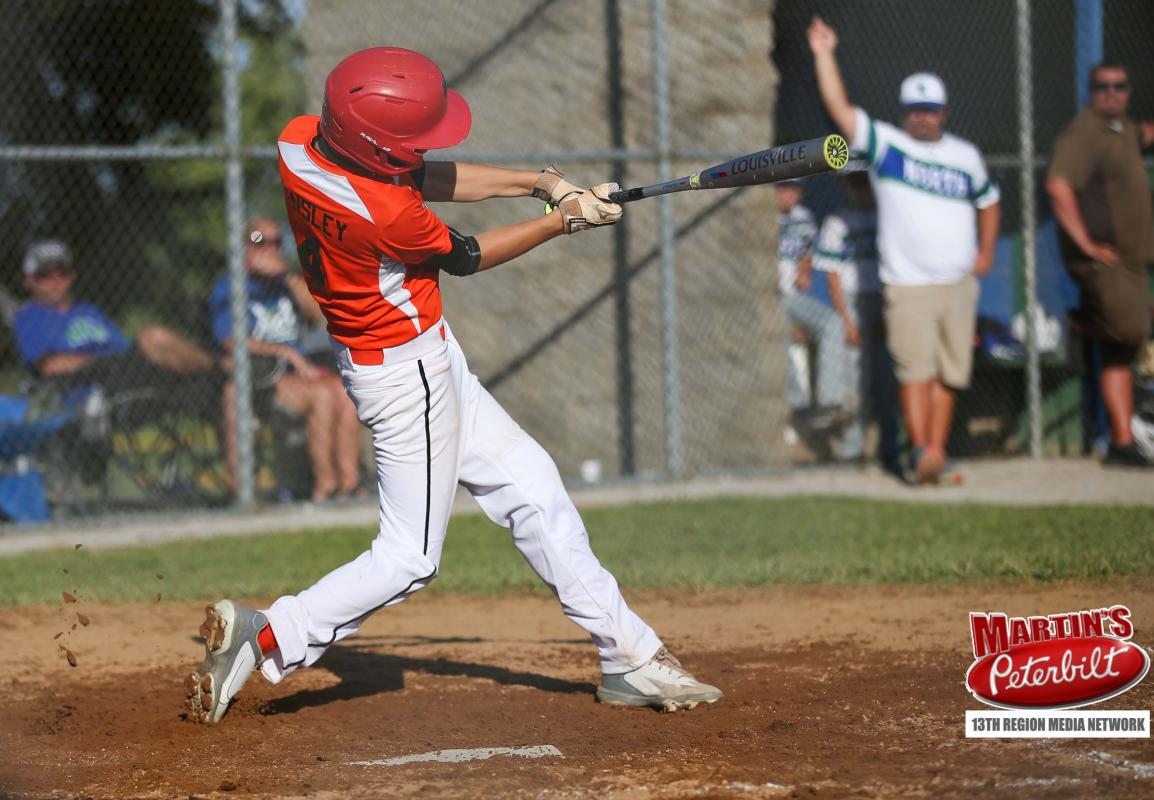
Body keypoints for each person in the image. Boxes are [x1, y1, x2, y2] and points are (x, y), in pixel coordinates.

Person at [186, 47, 721, 724]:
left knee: (532, 485)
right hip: (406, 376)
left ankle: (629, 655)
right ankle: (268, 637)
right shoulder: (386, 214)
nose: (421, 150)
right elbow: (466, 255)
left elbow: (422, 174)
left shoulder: (299, 143)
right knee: (409, 557)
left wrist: (542, 182)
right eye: (409, 142)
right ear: (374, 147)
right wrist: (565, 220)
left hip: (420, 358)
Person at [807, 16, 1000, 485]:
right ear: (903, 112)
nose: (922, 117)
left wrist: (986, 253)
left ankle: (936, 452)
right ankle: (920, 453)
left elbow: (989, 201)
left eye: (930, 110)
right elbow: (841, 110)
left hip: (958, 282)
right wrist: (824, 54)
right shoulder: (887, 146)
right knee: (915, 371)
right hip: (908, 284)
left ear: (944, 112)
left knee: (950, 374)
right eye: (915, 110)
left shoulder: (965, 156)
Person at [1045, 61, 1154, 470]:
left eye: (1119, 86)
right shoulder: (1083, 134)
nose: (1111, 93)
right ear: (1092, 92)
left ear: (1128, 91)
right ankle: (1085, 323)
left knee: (1120, 349)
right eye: (1102, 87)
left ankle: (1122, 441)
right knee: (1131, 331)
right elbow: (1057, 185)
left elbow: (1143, 133)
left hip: (1131, 262)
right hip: (1105, 263)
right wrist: (1087, 244)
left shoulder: (1121, 130)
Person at [210, 216, 362, 501]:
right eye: (259, 241)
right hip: (264, 377)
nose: (270, 249)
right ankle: (325, 487)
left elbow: (319, 315)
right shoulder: (231, 285)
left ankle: (349, 484)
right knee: (322, 396)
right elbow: (229, 339)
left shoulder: (286, 285)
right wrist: (285, 352)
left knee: (345, 394)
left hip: (299, 375)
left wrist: (288, 276)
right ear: (243, 247)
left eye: (277, 242)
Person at [14, 239, 217, 391]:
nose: (56, 282)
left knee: (160, 344)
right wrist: (104, 363)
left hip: (127, 375)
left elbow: (122, 347)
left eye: (62, 274)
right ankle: (220, 370)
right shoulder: (29, 318)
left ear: (72, 277)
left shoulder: (89, 311)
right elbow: (51, 366)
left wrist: (122, 362)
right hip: (91, 387)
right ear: (29, 282)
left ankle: (217, 375)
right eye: (45, 276)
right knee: (154, 336)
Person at [813, 171, 899, 469]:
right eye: (855, 183)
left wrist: (887, 313)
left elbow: (896, 266)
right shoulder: (837, 222)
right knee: (853, 381)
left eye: (865, 182)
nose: (861, 189)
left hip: (883, 299)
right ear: (845, 185)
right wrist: (847, 321)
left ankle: (890, 448)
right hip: (851, 300)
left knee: (886, 379)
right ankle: (852, 449)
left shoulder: (886, 218)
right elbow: (832, 275)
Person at [775, 179, 850, 458]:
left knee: (831, 322)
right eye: (783, 187)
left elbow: (806, 251)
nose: (789, 194)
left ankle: (829, 403)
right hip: (769, 297)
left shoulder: (803, 217)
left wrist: (804, 270)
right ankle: (799, 404)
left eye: (794, 189)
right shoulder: (765, 215)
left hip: (792, 296)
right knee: (779, 335)